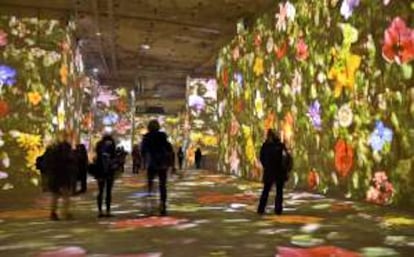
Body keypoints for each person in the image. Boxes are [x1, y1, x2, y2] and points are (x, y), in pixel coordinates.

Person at [141, 119, 174, 216]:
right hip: (162, 164)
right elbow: (169, 149)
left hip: (152, 163)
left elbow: (143, 151)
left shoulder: (146, 137)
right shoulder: (162, 136)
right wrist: (171, 164)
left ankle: (150, 205)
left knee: (150, 184)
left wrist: (143, 164)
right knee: (162, 185)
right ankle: (162, 204)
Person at [44, 132, 77, 220]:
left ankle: (53, 213)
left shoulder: (52, 148)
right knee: (66, 195)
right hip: (64, 174)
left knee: (55, 195)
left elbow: (47, 162)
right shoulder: (66, 147)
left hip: (54, 175)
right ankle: (65, 213)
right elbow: (71, 160)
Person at [257, 129, 288, 215]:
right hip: (279, 172)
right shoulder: (280, 145)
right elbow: (286, 158)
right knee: (279, 192)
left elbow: (262, 157)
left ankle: (261, 209)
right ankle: (278, 210)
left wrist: (266, 166)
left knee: (266, 191)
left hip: (269, 172)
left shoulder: (266, 146)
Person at [94, 135, 117, 218]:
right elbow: (114, 158)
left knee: (100, 191)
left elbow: (96, 157)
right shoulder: (112, 145)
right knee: (108, 192)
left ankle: (100, 211)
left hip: (100, 171)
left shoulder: (99, 145)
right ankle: (108, 211)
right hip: (109, 171)